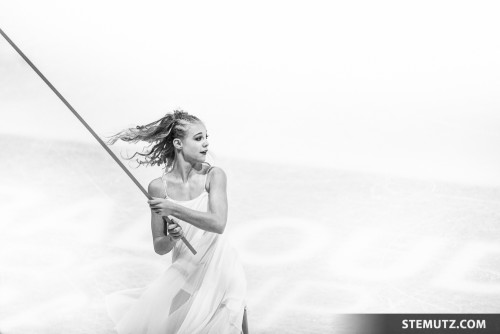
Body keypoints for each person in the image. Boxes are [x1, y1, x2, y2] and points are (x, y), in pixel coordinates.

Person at [104, 110, 248, 334]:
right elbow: (160, 247)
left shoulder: (214, 176)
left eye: (206, 137)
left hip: (220, 269)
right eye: (198, 138)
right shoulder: (158, 188)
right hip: (185, 275)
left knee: (231, 319)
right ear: (179, 143)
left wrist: (174, 209)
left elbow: (218, 223)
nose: (206, 143)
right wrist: (171, 237)